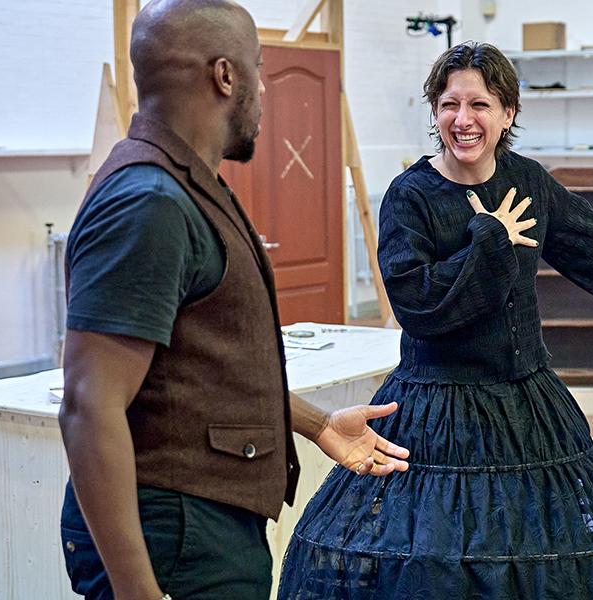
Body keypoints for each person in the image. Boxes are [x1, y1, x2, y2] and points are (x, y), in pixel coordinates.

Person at [276, 41, 593, 600]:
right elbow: (415, 302)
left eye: (480, 105)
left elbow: (588, 238)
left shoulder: (527, 180)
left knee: (533, 552)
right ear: (435, 111)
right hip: (436, 407)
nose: (463, 120)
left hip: (524, 401)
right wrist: (489, 239)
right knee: (438, 559)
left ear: (508, 113)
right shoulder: (410, 195)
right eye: (449, 104)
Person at [57, 2, 409, 599]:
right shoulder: (150, 200)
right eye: (258, 68)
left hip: (199, 524)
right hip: (173, 537)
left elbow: (208, 375)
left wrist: (319, 425)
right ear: (225, 76)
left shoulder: (189, 185)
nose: (264, 90)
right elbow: (88, 407)